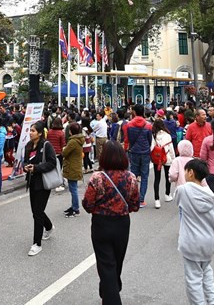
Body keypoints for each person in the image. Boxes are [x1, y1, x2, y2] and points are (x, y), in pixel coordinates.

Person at [82, 141, 140, 304]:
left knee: (106, 264)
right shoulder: (131, 178)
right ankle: (110, 290)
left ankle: (110, 294)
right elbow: (135, 205)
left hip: (101, 224)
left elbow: (87, 204)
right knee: (117, 261)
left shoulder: (97, 178)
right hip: (122, 224)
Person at [175, 158, 214, 305]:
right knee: (207, 275)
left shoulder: (183, 191)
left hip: (190, 244)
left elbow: (177, 201)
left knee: (193, 281)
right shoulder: (211, 198)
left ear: (191, 173)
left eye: (186, 171)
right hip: (207, 245)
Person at [24, 121, 57, 256]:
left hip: (43, 183)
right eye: (30, 130)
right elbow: (25, 161)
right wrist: (26, 167)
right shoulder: (28, 145)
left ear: (39, 133)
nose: (30, 132)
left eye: (33, 130)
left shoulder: (46, 145)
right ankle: (49, 226)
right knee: (36, 211)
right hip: (32, 182)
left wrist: (37, 168)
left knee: (37, 213)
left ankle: (37, 244)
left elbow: (52, 163)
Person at [123, 104, 153, 207]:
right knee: (144, 176)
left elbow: (127, 140)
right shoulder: (148, 125)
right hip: (145, 152)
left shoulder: (129, 125)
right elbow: (150, 140)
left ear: (134, 112)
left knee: (133, 176)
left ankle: (132, 198)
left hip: (134, 152)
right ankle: (141, 200)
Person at [62, 121, 85, 217]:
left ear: (71, 131)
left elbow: (65, 153)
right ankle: (74, 206)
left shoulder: (72, 141)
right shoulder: (79, 139)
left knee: (73, 189)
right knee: (73, 188)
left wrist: (64, 149)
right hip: (75, 166)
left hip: (72, 167)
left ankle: (76, 209)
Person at [151, 118, 176, 208]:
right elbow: (171, 148)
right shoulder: (167, 135)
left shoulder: (153, 135)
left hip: (157, 159)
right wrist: (173, 159)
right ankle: (167, 195)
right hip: (167, 158)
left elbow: (151, 148)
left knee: (157, 179)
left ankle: (157, 200)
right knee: (167, 176)